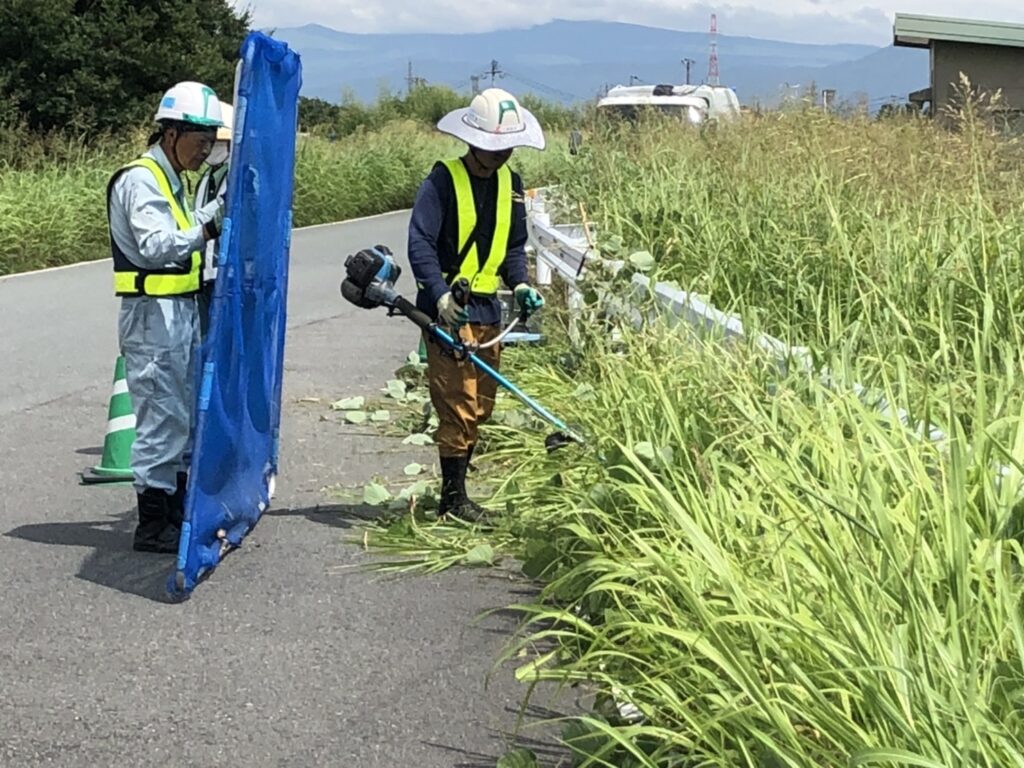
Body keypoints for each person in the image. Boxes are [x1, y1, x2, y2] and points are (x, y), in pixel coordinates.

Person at [407, 88, 547, 521]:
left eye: (506, 147)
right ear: (471, 140)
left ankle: (458, 492)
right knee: (457, 404)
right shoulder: (443, 180)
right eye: (492, 146)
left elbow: (513, 247)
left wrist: (521, 284)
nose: (499, 155)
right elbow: (420, 243)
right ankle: (454, 499)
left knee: (481, 404)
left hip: (489, 312)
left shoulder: (512, 185)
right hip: (449, 310)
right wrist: (439, 294)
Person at [106, 81, 226, 552]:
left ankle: (175, 514)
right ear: (171, 133)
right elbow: (156, 247)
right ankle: (153, 525)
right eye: (200, 141)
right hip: (152, 316)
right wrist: (211, 223)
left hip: (178, 313)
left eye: (211, 141)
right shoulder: (141, 179)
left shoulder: (175, 179)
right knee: (161, 420)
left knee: (181, 418)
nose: (205, 152)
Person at [194, 102, 233, 337]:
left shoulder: (241, 175)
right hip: (204, 274)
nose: (212, 148)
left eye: (219, 142)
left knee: (222, 342)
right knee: (205, 340)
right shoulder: (207, 176)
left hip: (225, 273)